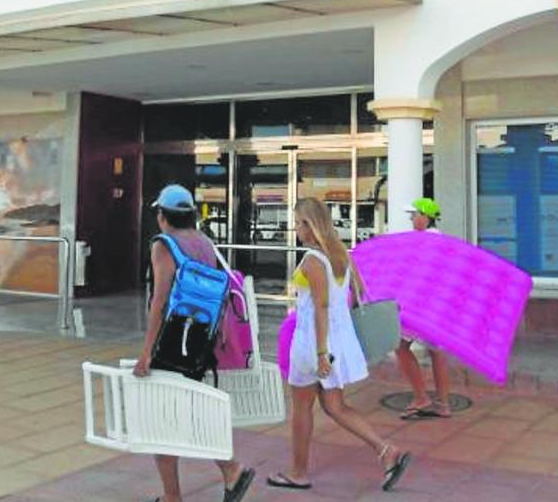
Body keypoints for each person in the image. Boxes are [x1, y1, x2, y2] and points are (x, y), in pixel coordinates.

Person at [267, 197, 411, 492]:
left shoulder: (312, 260)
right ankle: (386, 450)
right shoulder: (341, 256)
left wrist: (321, 353)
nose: (296, 229)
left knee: (302, 409)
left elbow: (320, 307)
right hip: (334, 341)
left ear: (310, 225)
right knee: (335, 406)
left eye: (298, 223)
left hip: (313, 343)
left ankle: (298, 472)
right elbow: (354, 298)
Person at [132, 184, 255, 502]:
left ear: (162, 216)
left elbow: (159, 302)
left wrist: (146, 352)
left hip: (172, 344)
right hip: (202, 343)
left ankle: (194, 486)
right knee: (184, 410)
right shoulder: (204, 242)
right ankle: (228, 471)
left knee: (161, 419)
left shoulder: (164, 245)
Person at [394, 197, 453, 419]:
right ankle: (443, 404)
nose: (411, 219)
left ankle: (421, 397)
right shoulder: (442, 241)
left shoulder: (423, 242)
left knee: (400, 346)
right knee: (437, 352)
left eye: (414, 215)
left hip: (420, 305)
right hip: (438, 306)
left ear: (425, 217)